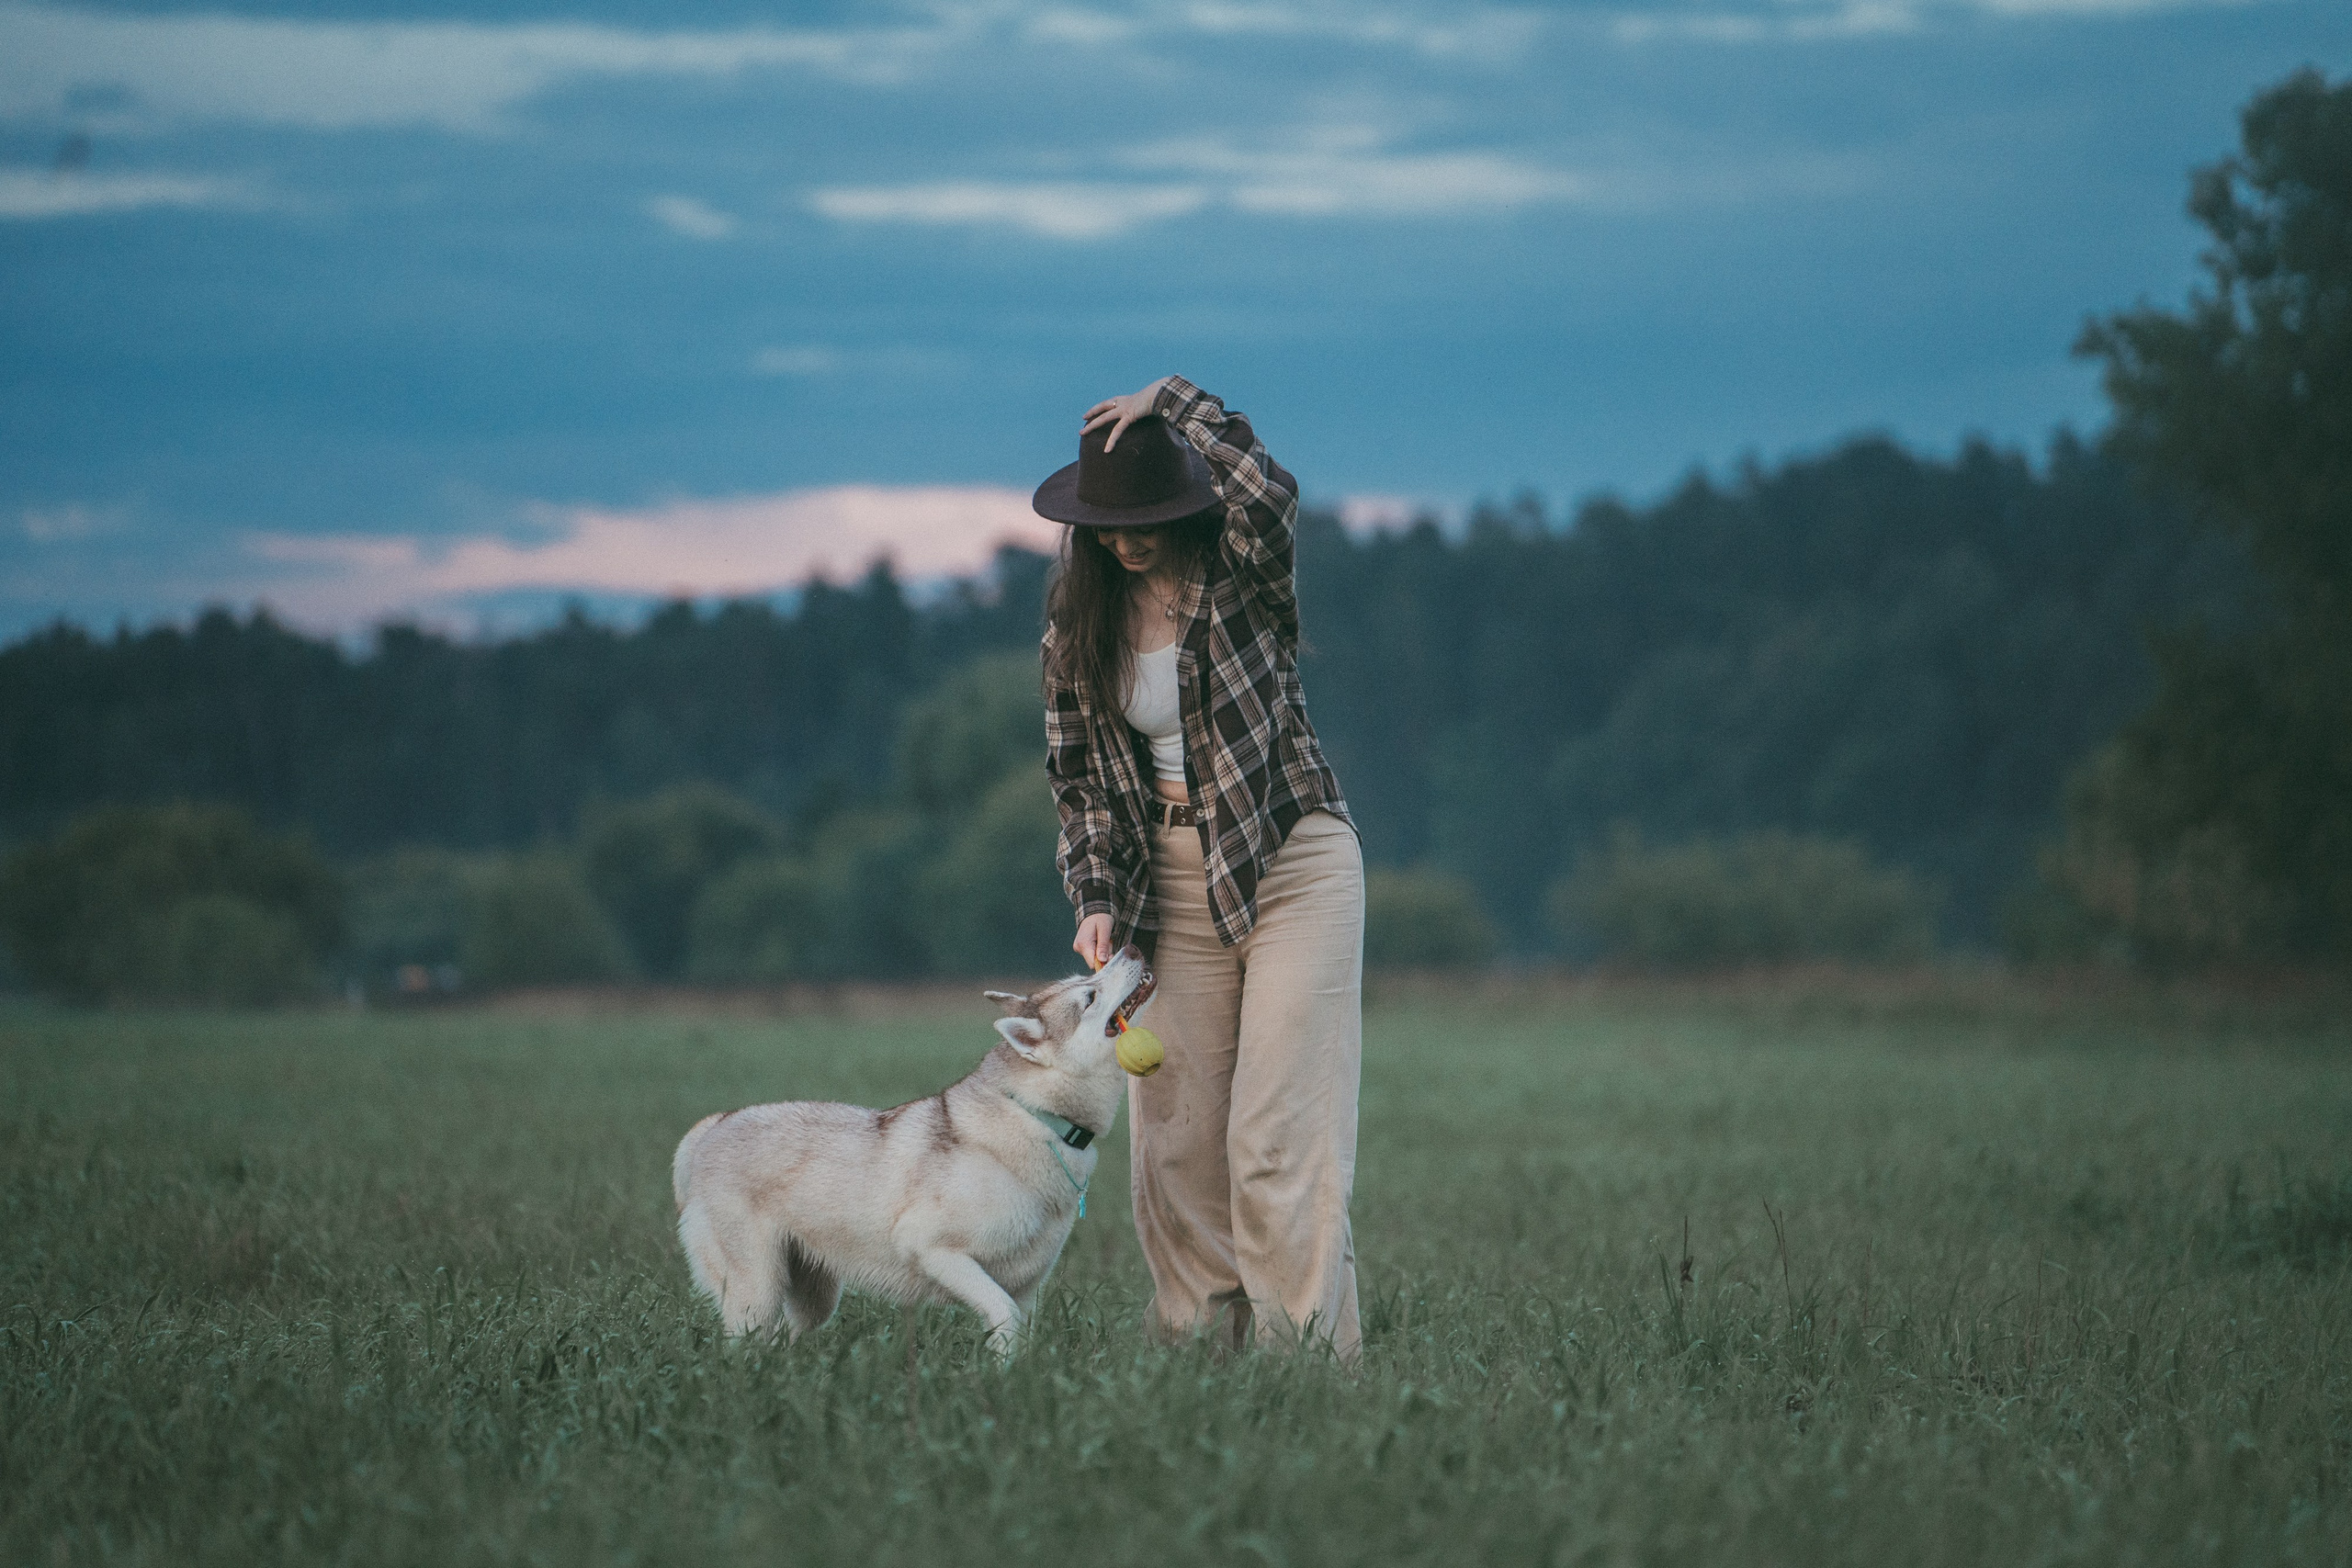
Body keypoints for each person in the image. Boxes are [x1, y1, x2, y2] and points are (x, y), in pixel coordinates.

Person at [1030, 375, 1364, 1359]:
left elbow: (1266, 490)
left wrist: (1175, 400)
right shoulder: (1074, 633)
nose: (1126, 538)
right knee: (1175, 1144)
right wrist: (1095, 902)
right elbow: (1082, 788)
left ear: (1182, 508)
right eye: (1108, 523)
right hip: (1168, 887)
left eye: (1145, 517)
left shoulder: (1241, 576)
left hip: (1290, 861)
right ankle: (1200, 1365)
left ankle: (1305, 1370)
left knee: (1274, 1143)